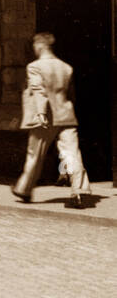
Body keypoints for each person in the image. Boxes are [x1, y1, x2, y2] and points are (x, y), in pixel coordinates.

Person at [13, 32, 90, 209]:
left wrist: (40, 113)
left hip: (46, 117)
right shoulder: (66, 67)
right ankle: (78, 192)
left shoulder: (34, 67)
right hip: (66, 115)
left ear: (40, 46)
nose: (34, 49)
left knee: (35, 155)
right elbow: (72, 95)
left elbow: (39, 90)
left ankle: (24, 189)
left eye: (35, 46)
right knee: (72, 154)